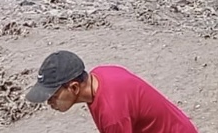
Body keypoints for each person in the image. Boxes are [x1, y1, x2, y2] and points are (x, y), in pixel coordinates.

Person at [25, 50, 197, 133]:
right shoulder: (101, 74)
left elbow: (116, 119)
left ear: (74, 87)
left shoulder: (112, 116)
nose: (50, 103)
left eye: (53, 96)